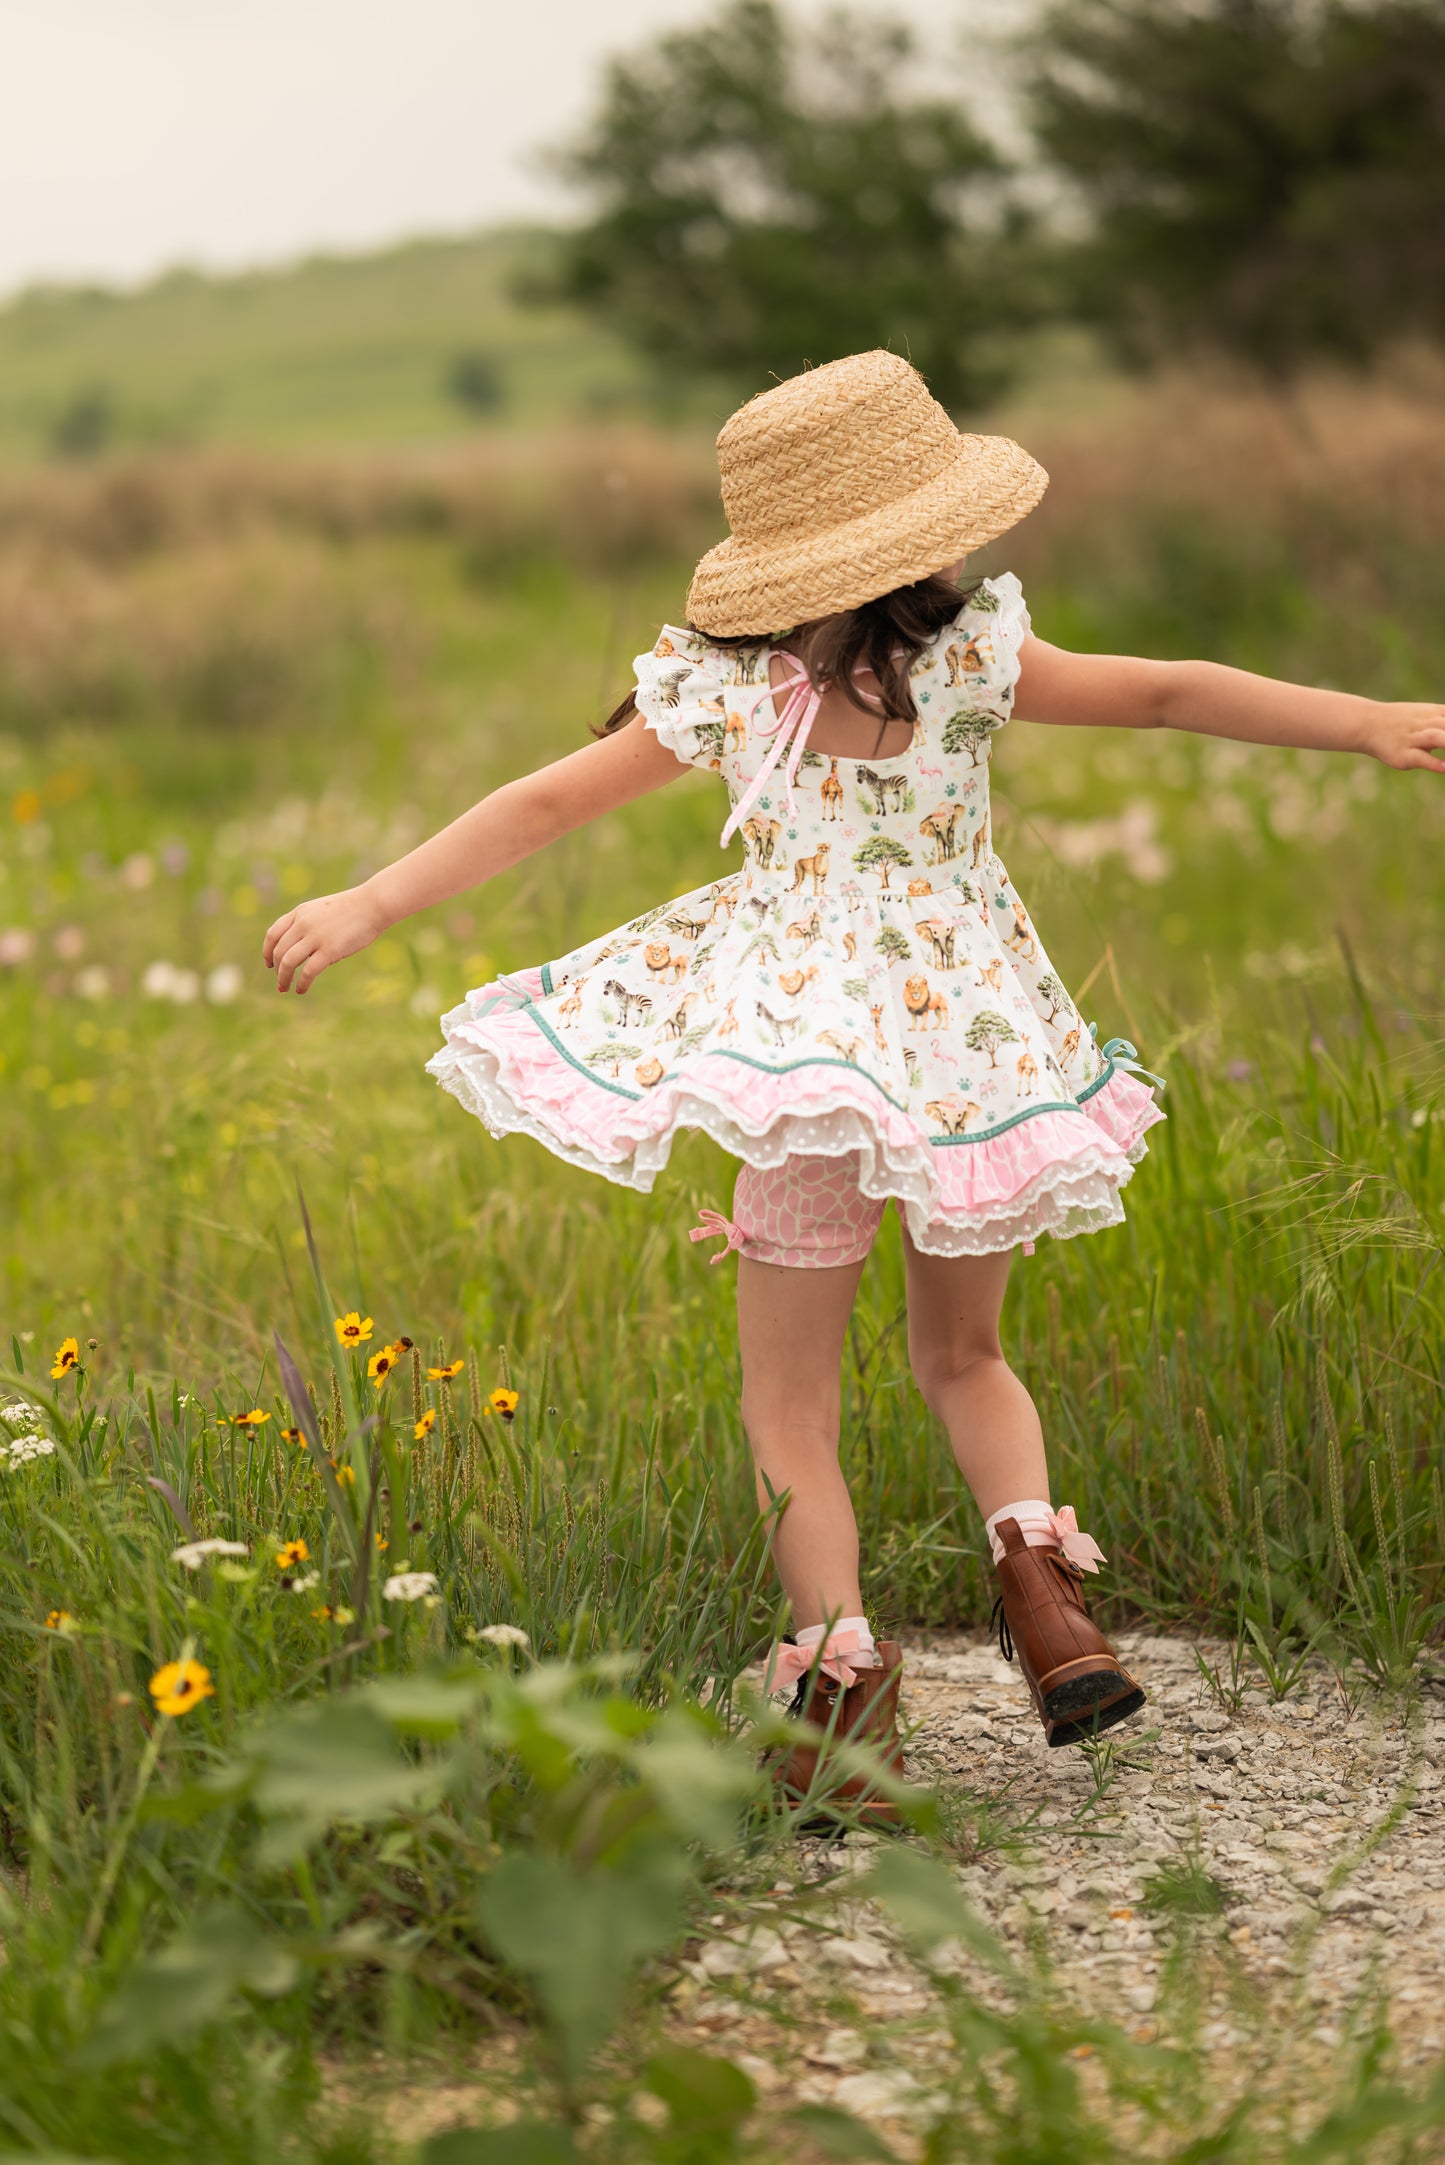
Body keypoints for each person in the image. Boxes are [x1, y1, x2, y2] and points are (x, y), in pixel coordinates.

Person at [263, 351, 1445, 1815]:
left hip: (804, 1062)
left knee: (789, 1407)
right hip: (970, 1050)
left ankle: (841, 1709)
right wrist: (1365, 718)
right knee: (964, 1357)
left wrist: (368, 904)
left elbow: (545, 801)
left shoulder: (729, 691)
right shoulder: (978, 658)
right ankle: (1042, 1591)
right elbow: (1164, 694)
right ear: (922, 537)